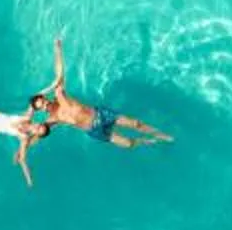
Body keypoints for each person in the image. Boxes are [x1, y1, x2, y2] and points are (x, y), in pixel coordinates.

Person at [32, 34, 171, 149]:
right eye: (41, 106)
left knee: (136, 124)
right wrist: (23, 150)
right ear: (41, 110)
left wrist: (57, 49)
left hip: (101, 115)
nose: (45, 104)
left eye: (43, 100)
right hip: (94, 130)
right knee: (128, 144)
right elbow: (37, 134)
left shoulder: (59, 95)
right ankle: (145, 141)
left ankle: (159, 135)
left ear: (45, 97)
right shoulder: (52, 119)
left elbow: (59, 73)